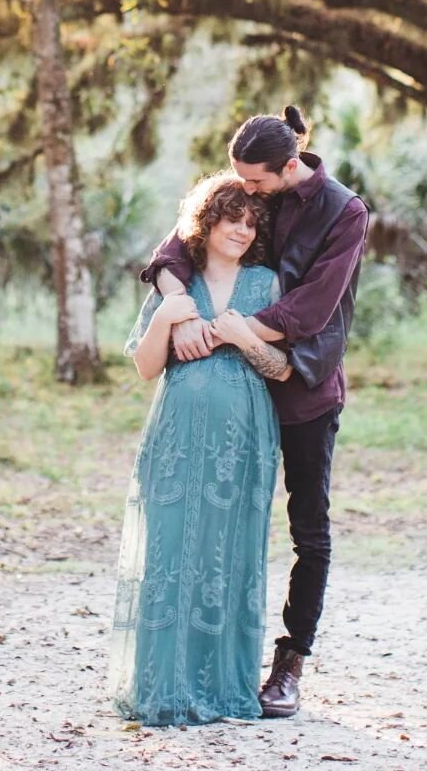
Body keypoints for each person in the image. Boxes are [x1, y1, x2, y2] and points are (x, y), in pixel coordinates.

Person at [140, 104, 369, 720]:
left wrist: (224, 332)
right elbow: (180, 244)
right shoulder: (252, 185)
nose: (246, 192)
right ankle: (196, 657)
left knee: (308, 528)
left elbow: (310, 311)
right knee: (218, 522)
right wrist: (177, 302)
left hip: (301, 386)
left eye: (256, 183)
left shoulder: (345, 213)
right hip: (230, 389)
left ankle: (290, 661)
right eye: (239, 181)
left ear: (289, 166)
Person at [108, 174, 295, 727]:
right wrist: (168, 317)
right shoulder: (174, 289)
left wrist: (243, 337)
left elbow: (284, 368)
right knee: (169, 555)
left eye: (250, 222)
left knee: (226, 555)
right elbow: (145, 368)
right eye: (231, 218)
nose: (241, 229)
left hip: (242, 443)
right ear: (206, 222)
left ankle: (222, 689)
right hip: (175, 441)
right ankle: (162, 689)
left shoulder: (267, 284)